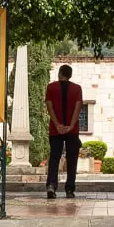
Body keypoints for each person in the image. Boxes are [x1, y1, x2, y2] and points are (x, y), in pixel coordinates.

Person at [44, 64, 83, 199]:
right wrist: (71, 126)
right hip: (73, 130)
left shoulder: (51, 87)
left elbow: (49, 107)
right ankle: (70, 189)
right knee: (72, 159)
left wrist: (57, 124)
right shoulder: (77, 89)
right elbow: (78, 108)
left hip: (56, 129)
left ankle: (51, 186)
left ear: (60, 73)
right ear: (70, 75)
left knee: (54, 158)